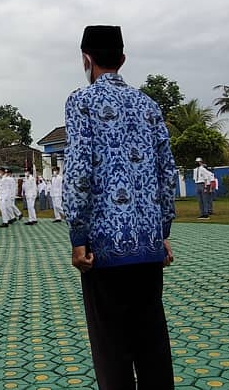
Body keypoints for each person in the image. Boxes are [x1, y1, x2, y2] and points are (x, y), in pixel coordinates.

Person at [64, 25, 176, 389]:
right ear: (123, 59)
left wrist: (78, 236)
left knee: (112, 349)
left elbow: (79, 171)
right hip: (147, 246)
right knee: (152, 345)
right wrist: (164, 233)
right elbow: (166, 173)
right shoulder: (149, 106)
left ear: (86, 59)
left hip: (104, 249)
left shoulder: (81, 101)